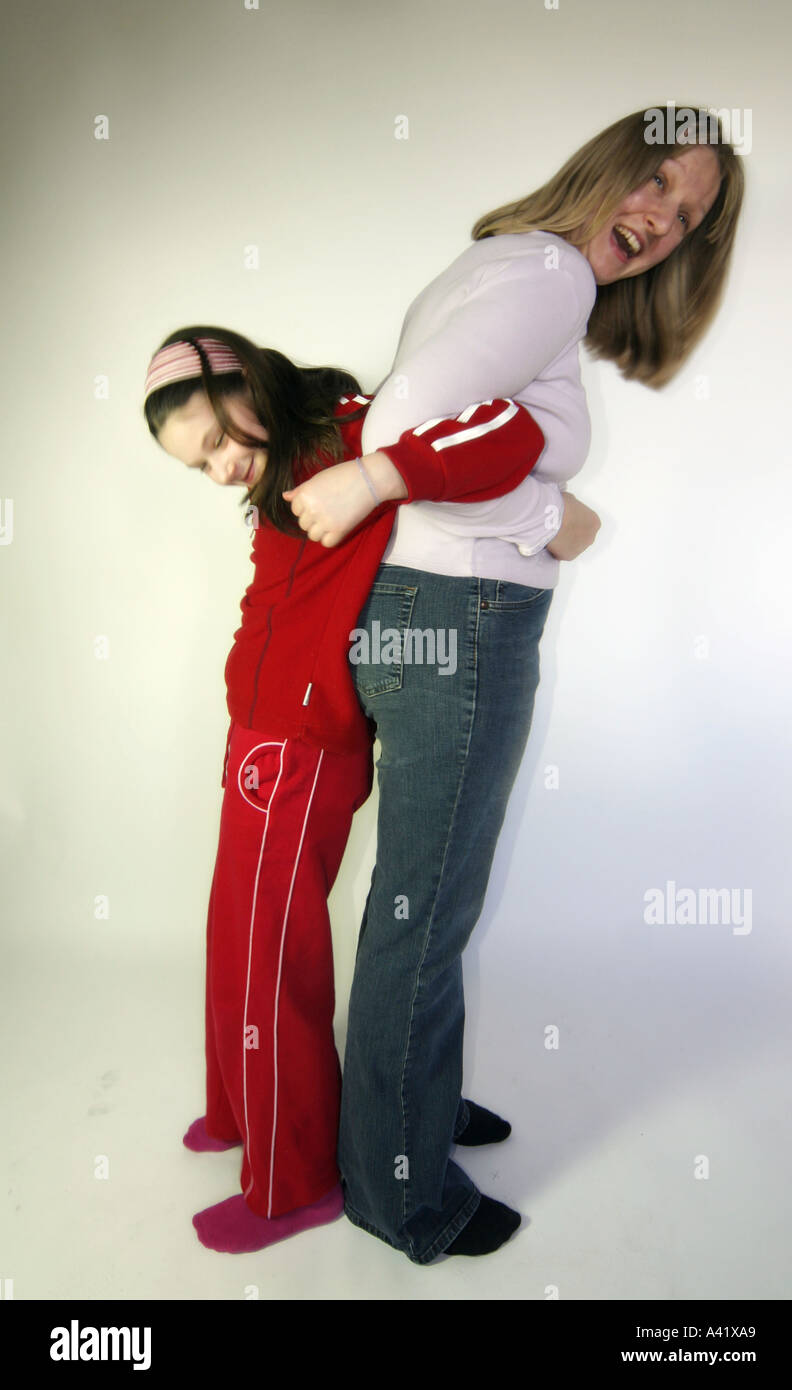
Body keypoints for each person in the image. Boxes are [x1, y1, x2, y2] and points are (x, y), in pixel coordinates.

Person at [285, 105, 745, 1263]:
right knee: (426, 909)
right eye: (654, 179)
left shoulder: (503, 260)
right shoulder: (547, 271)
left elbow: (430, 426)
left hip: (418, 612)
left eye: (685, 216)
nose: (659, 219)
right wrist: (554, 515)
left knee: (420, 896)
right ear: (606, 165)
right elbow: (402, 428)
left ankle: (411, 1113)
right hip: (462, 618)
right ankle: (397, 1188)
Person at [142, 329, 573, 1252]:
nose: (220, 470)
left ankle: (291, 1182)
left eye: (218, 441)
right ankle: (237, 1113)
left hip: (302, 739)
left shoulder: (355, 435)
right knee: (238, 931)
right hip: (259, 731)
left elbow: (508, 430)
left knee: (275, 957)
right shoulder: (287, 468)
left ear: (246, 381)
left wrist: (385, 471)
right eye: (200, 464)